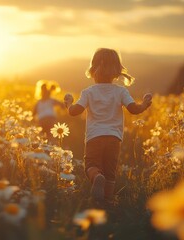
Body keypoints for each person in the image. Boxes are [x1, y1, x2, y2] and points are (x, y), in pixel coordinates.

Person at [64, 48, 152, 207]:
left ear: (92, 70)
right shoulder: (121, 91)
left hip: (94, 138)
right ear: (117, 72)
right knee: (110, 173)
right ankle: (108, 202)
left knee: (91, 166)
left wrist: (68, 103)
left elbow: (74, 112)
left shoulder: (88, 92)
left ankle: (96, 176)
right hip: (114, 138)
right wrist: (144, 104)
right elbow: (134, 109)